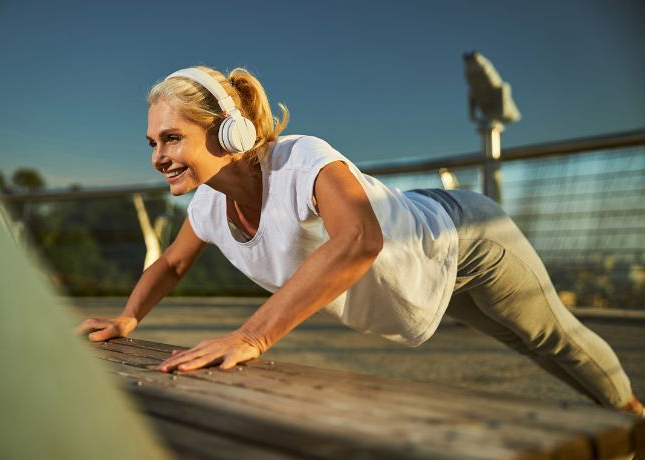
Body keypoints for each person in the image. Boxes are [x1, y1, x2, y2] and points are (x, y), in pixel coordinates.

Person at [76, 65, 643, 416]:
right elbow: (172, 265)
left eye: (171, 138)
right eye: (151, 142)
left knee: (548, 337)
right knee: (519, 341)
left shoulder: (303, 160)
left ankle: (631, 416)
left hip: (466, 239)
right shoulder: (207, 205)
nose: (157, 157)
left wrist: (252, 335)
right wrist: (128, 318)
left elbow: (358, 242)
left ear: (229, 131)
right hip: (421, 260)